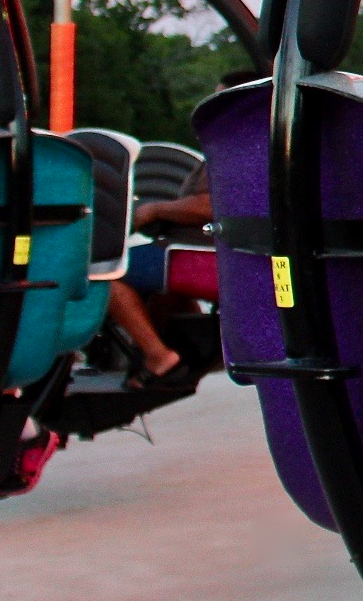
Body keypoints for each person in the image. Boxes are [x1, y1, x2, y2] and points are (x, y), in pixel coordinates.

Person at [112, 68, 265, 394]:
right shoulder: (250, 142)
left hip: (208, 256)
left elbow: (212, 206)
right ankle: (183, 356)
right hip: (208, 251)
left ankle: (160, 357)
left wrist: (154, 210)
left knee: (107, 273)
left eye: (218, 99)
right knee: (161, 284)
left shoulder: (235, 147)